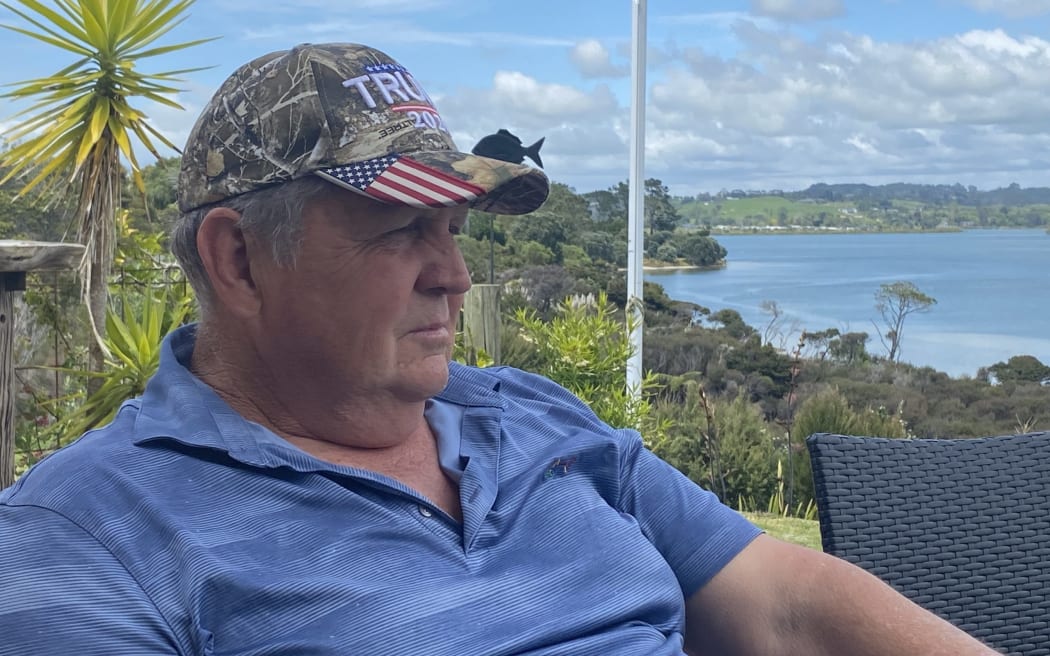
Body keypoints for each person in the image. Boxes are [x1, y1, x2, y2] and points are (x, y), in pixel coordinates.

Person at [0, 42, 997, 656]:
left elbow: (783, 604)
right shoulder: (87, 538)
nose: (455, 275)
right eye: (402, 231)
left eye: (455, 230)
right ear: (240, 260)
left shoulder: (526, 413)